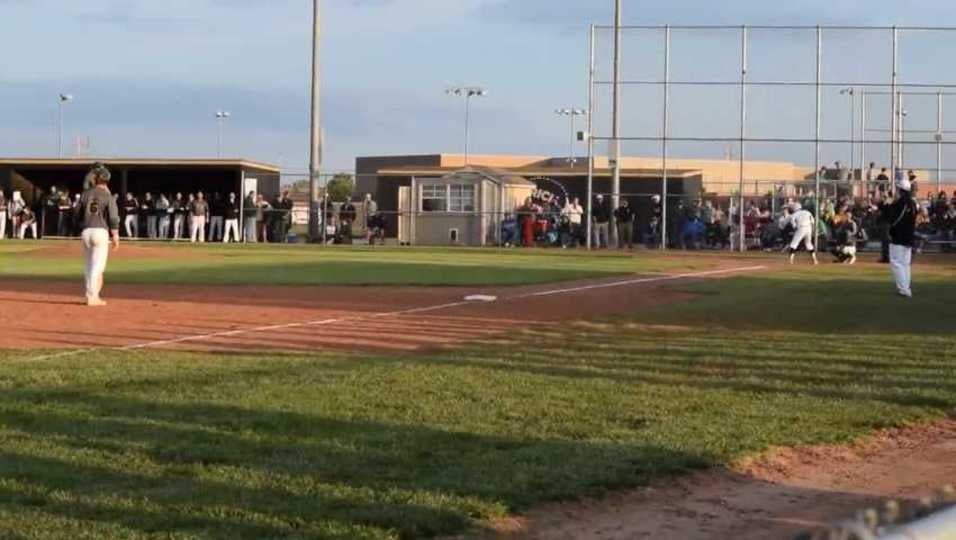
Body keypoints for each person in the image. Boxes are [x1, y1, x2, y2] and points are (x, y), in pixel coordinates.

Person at [76, 163, 120, 307]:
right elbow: (113, 218)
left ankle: (90, 294)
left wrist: (81, 225)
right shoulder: (108, 195)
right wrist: (115, 236)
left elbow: (76, 213)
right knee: (97, 267)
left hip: (86, 231)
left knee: (88, 266)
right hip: (100, 232)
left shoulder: (85, 193)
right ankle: (93, 296)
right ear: (107, 180)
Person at [881, 177, 918, 298]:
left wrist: (886, 204)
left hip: (899, 237)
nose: (896, 191)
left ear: (901, 190)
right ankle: (905, 288)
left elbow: (892, 219)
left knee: (897, 263)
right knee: (905, 264)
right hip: (908, 237)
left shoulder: (902, 203)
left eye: (897, 189)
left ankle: (904, 289)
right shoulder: (912, 203)